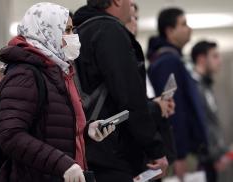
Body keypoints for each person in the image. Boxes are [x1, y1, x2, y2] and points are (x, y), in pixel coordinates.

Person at [0, 3, 115, 182]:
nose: (73, 36)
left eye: (72, 29)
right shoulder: (25, 75)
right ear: (47, 31)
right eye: (66, 30)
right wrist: (62, 164)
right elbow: (10, 135)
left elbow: (50, 130)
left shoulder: (58, 71)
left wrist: (85, 131)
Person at [73, 0, 168, 181]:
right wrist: (155, 149)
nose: (131, 2)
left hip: (87, 149)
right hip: (114, 154)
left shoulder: (79, 30)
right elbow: (130, 96)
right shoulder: (109, 32)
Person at [147, 8, 208, 180]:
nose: (189, 29)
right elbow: (173, 110)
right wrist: (179, 155)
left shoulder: (174, 60)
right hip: (180, 152)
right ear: (170, 31)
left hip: (184, 149)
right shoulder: (168, 62)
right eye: (183, 24)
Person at [125, 0, 177, 172]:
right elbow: (129, 106)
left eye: (136, 18)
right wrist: (155, 106)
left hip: (149, 150)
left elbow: (142, 101)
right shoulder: (120, 60)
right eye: (130, 17)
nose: (134, 23)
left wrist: (158, 103)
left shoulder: (135, 56)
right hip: (134, 154)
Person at [191, 41, 230, 182]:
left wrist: (220, 152)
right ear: (201, 59)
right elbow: (203, 124)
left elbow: (213, 123)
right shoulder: (194, 87)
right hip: (202, 160)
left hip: (211, 159)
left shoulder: (206, 85)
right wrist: (215, 155)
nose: (219, 61)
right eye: (215, 56)